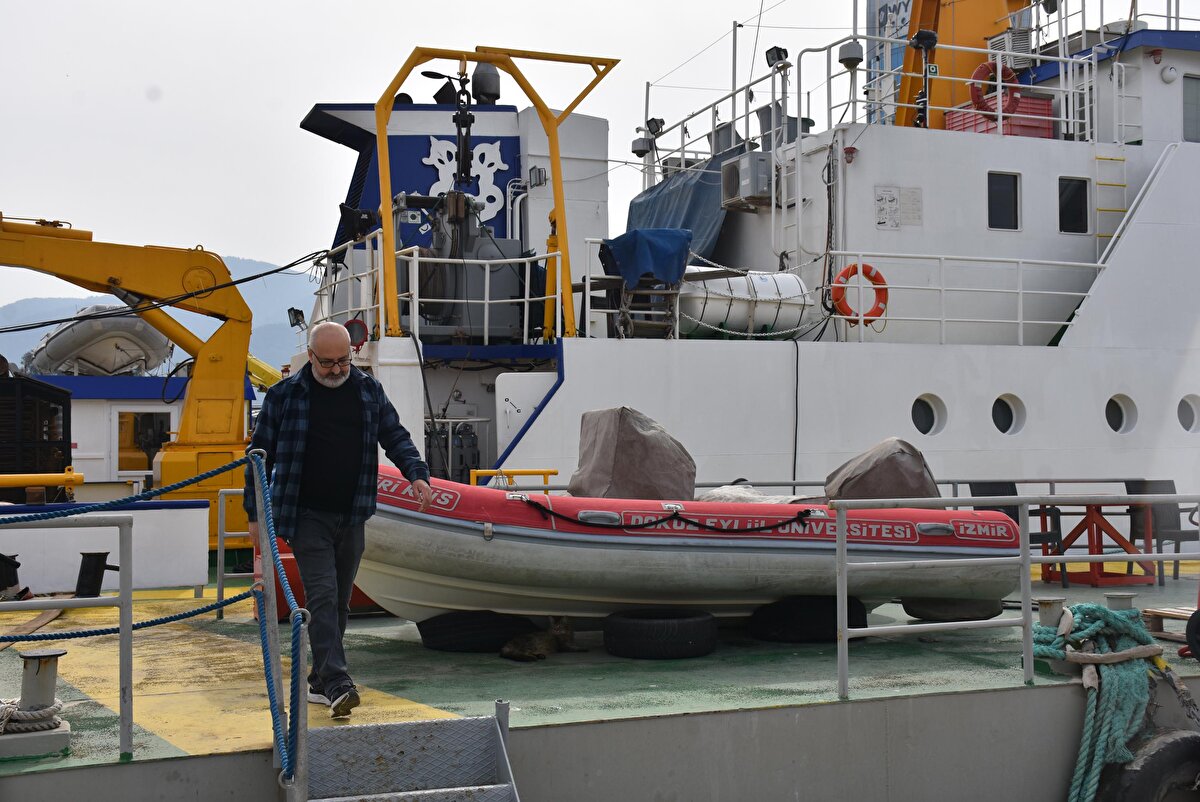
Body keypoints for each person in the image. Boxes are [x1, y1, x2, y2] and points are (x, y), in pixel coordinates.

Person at [244, 321, 433, 718]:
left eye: (343, 361)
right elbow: (259, 459)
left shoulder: (368, 391)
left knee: (341, 601)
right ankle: (337, 683)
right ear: (310, 357)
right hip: (305, 513)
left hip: (353, 512)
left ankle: (318, 681)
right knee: (324, 596)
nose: (335, 369)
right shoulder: (284, 396)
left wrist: (416, 474)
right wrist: (254, 515)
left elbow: (394, 435)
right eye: (327, 362)